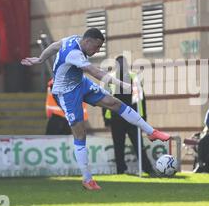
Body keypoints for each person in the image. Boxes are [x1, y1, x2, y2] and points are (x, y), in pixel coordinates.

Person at [21, 28, 170, 190]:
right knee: (80, 134)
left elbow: (55, 45)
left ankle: (151, 131)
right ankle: (87, 179)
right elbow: (94, 72)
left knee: (115, 103)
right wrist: (122, 84)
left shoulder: (74, 39)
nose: (97, 50)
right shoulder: (74, 53)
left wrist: (41, 59)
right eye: (97, 47)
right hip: (66, 93)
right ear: (87, 41)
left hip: (80, 83)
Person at [102, 55, 154, 175]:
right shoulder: (111, 78)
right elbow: (104, 99)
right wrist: (106, 118)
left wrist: (143, 116)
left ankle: (146, 168)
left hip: (130, 118)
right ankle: (122, 170)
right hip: (120, 118)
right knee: (122, 146)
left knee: (135, 145)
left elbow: (141, 99)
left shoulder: (133, 77)